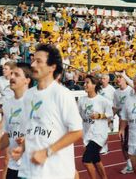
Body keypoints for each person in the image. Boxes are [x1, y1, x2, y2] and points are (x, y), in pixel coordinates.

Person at [11, 43, 83, 179]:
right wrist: (23, 148)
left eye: (38, 61)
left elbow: (77, 131)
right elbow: (32, 129)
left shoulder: (62, 94)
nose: (32, 65)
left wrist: (47, 152)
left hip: (55, 172)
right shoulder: (28, 95)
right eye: (33, 60)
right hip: (28, 170)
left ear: (52, 67)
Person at [0, 63, 33, 179]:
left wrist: (27, 139)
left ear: (27, 80)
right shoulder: (8, 104)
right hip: (14, 165)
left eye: (17, 74)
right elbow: (9, 134)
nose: (12, 77)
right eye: (12, 73)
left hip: (32, 166)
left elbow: (50, 132)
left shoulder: (36, 102)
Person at [78, 75, 113, 179]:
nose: (84, 85)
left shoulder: (103, 100)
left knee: (86, 160)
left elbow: (110, 114)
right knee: (96, 159)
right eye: (84, 83)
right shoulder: (81, 100)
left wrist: (99, 115)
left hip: (99, 134)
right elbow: (78, 115)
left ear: (94, 85)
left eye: (87, 82)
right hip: (87, 134)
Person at [113, 72, 134, 174]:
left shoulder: (131, 90)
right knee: (123, 143)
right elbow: (116, 107)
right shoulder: (116, 92)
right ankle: (129, 164)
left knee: (131, 144)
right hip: (122, 121)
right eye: (117, 77)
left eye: (120, 77)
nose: (118, 79)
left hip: (133, 122)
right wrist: (108, 118)